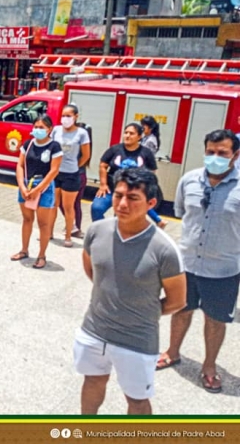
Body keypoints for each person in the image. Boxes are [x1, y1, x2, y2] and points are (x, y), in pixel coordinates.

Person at [75, 168, 186, 415]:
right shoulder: (96, 231)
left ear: (151, 203)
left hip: (137, 339)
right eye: (118, 195)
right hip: (94, 330)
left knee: (137, 400)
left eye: (133, 198)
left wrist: (143, 311)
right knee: (92, 381)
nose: (122, 204)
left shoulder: (165, 249)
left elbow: (178, 300)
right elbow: (92, 270)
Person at [157, 130, 240, 394]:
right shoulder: (189, 181)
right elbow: (182, 214)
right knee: (181, 310)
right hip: (187, 264)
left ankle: (209, 366)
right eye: (210, 152)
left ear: (235, 155)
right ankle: (172, 352)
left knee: (215, 320)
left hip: (224, 269)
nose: (215, 157)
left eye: (222, 153)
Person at [11, 115, 62, 269]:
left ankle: (41, 256)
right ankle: (24, 250)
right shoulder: (28, 144)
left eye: (42, 127)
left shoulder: (54, 147)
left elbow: (54, 171)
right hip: (27, 184)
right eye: (36, 127)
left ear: (49, 129)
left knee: (43, 224)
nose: (38, 130)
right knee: (27, 219)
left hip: (44, 187)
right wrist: (22, 186)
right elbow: (20, 165)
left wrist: (37, 190)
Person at [91, 123, 164, 228]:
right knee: (96, 208)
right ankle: (101, 231)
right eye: (126, 133)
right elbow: (103, 165)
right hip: (111, 189)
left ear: (139, 137)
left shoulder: (146, 153)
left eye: (131, 133)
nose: (127, 136)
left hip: (132, 191)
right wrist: (103, 184)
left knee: (121, 216)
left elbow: (152, 171)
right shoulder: (115, 149)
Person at [51, 104, 91, 247]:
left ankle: (68, 236)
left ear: (76, 117)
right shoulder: (56, 130)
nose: (65, 119)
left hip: (71, 175)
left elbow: (86, 155)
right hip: (55, 173)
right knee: (53, 205)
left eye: (68, 116)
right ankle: (49, 232)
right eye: (63, 115)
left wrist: (74, 165)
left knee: (68, 206)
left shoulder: (82, 133)